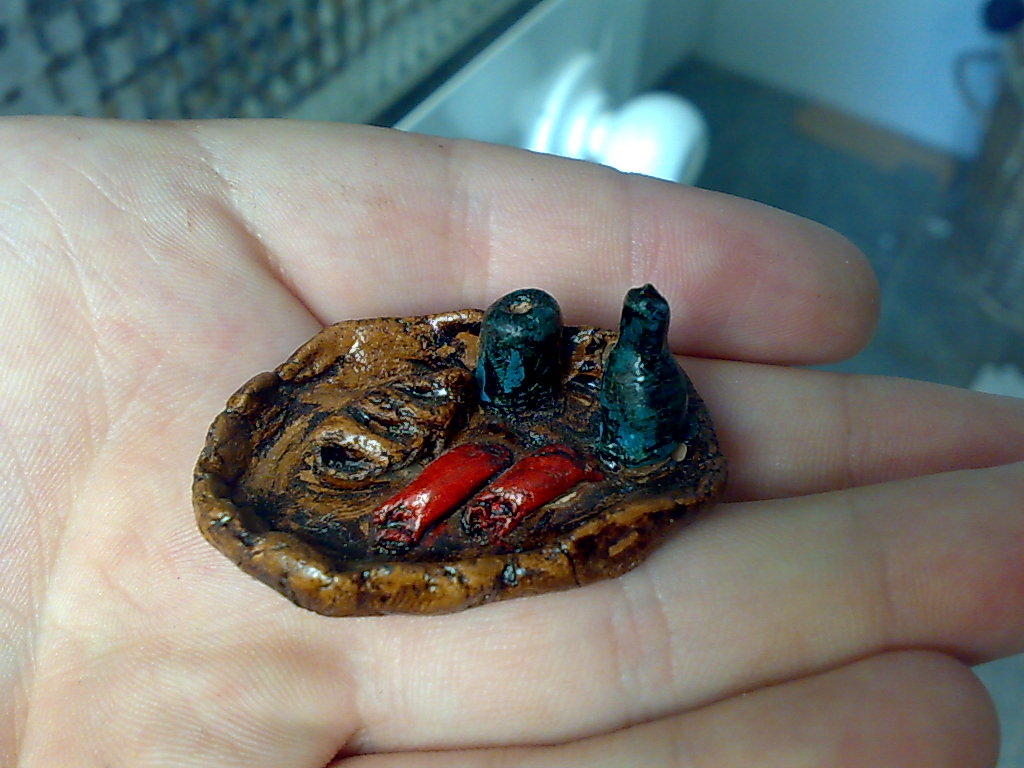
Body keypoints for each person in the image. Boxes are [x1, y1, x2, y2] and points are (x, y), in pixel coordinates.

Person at [1, 117, 1021, 768]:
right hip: (477, 465)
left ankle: (583, 399)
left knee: (564, 410)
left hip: (561, 452)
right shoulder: (319, 464)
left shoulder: (527, 430)